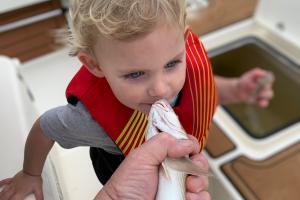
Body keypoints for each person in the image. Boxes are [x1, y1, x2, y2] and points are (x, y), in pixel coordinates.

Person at [0, 0, 274, 199]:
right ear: (95, 66)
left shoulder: (176, 62)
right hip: (119, 166)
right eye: (136, 74)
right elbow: (45, 127)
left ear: (184, 39)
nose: (161, 89)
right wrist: (31, 174)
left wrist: (235, 90)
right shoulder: (90, 121)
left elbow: (200, 90)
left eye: (172, 64)